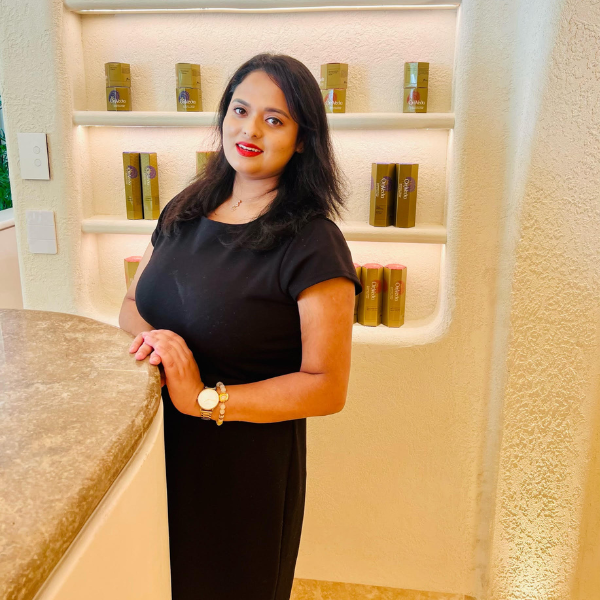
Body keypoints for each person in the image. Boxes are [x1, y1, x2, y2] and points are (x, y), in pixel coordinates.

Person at [119, 52, 362, 600]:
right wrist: (156, 340)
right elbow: (132, 301)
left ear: (303, 140)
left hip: (240, 472)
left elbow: (327, 386)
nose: (249, 129)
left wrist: (203, 398)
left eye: (274, 119)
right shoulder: (185, 207)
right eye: (240, 109)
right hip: (155, 450)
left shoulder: (312, 241)